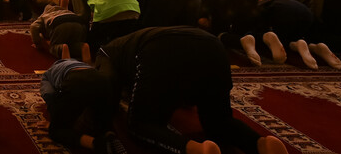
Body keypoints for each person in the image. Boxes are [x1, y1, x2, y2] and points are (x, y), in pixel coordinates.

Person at [96, 26, 286, 154]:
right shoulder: (137, 37)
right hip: (213, 48)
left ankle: (196, 150)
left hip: (161, 53)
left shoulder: (107, 53)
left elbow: (106, 84)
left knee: (141, 125)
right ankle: (261, 143)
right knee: (219, 121)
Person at [40, 59, 119, 153]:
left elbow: (50, 97)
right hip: (104, 81)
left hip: (77, 81)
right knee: (100, 123)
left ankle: (97, 144)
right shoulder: (79, 64)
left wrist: (54, 122)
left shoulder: (47, 75)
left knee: (56, 131)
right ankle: (109, 134)